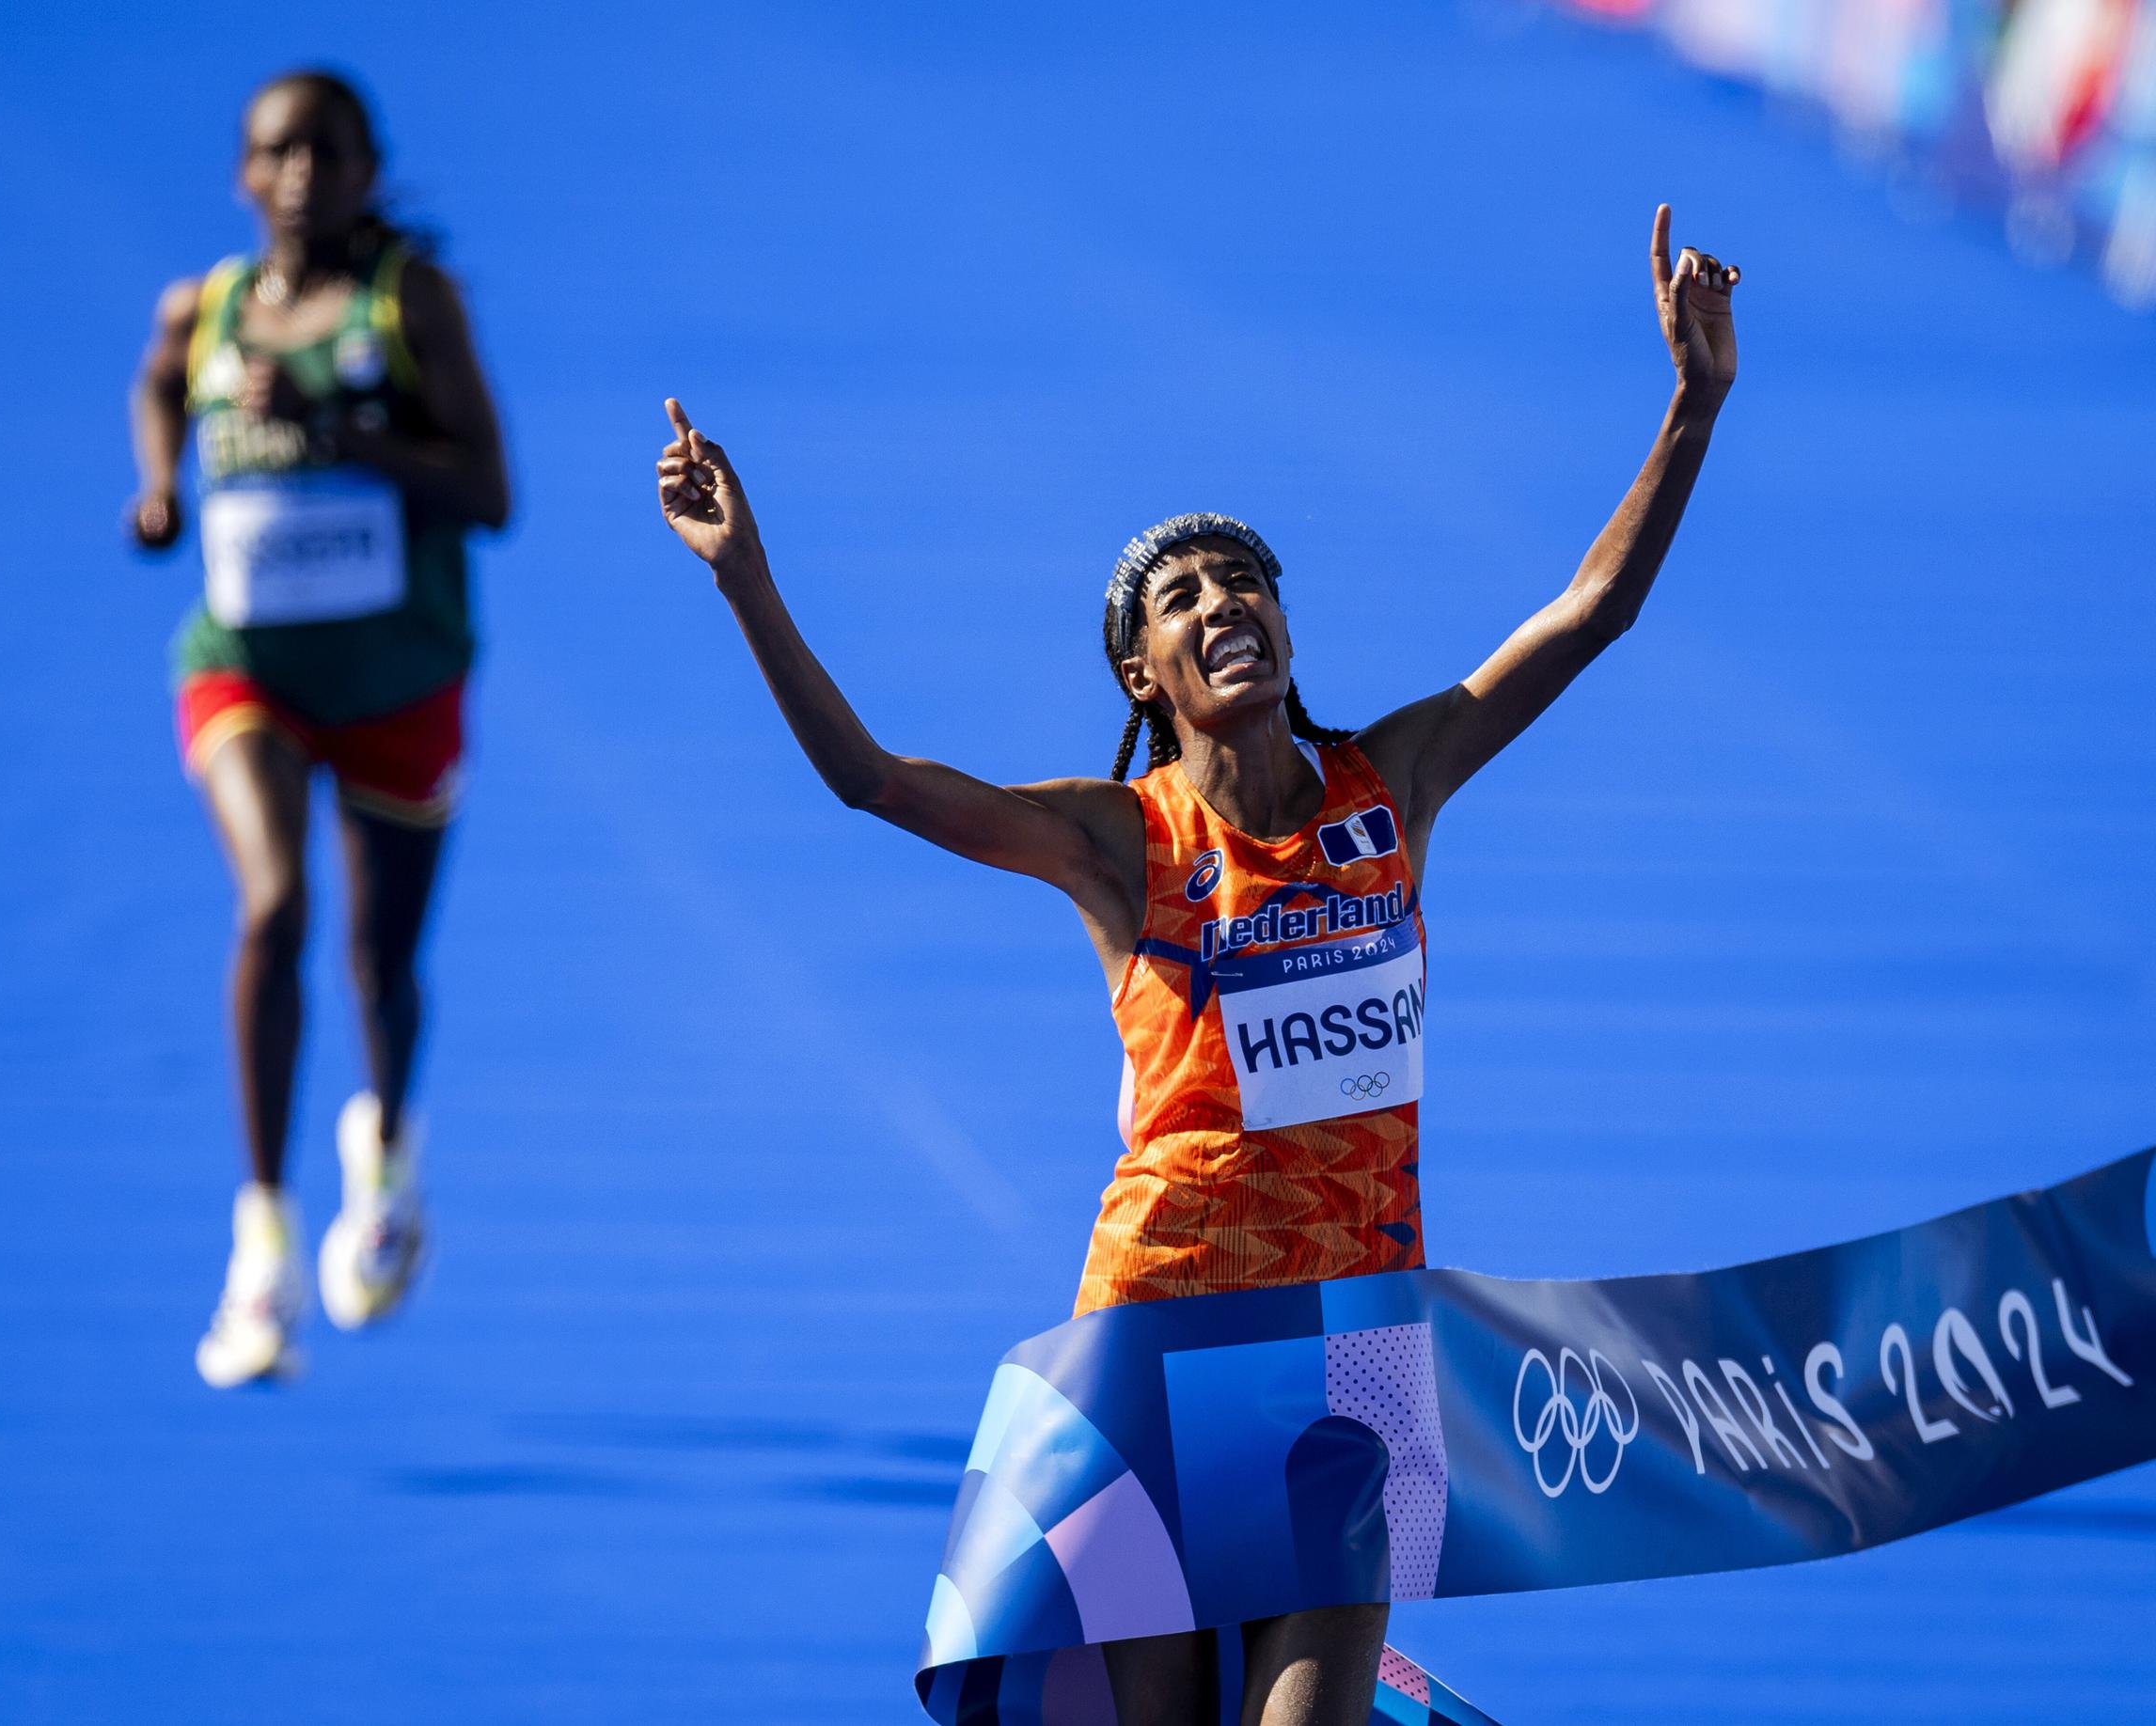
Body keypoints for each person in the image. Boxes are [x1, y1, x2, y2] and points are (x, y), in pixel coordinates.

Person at [657, 206, 1737, 1726]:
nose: (1226, 603)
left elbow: (1593, 611)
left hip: (1358, 1340)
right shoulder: (1122, 840)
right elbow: (873, 782)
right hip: (1161, 1337)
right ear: (1143, 677)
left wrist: (1692, 406)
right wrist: (744, 577)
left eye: (1247, 582)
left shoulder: (1395, 782)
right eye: (1187, 599)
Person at [125, 70, 511, 1387]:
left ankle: (386, 1156)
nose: (301, 177)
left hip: (399, 681)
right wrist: (161, 487)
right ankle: (261, 1246)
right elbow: (161, 386)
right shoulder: (210, 307)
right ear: (244, 175)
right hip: (250, 674)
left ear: (367, 171)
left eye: (328, 154)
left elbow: (489, 488)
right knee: (274, 909)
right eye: (278, 154)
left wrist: (345, 430)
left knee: (376, 965)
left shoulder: (410, 305)